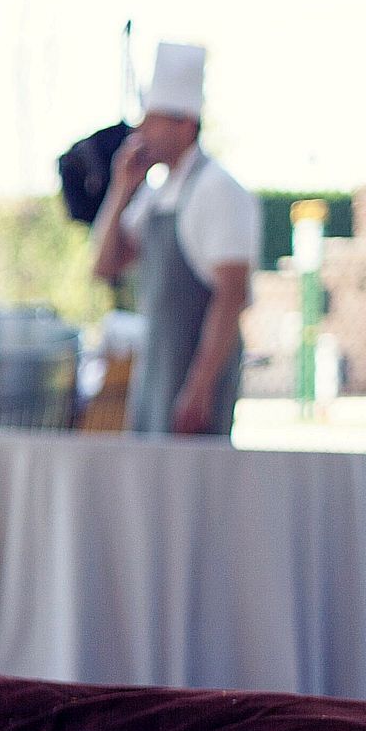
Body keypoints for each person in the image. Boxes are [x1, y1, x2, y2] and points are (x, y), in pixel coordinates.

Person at [90, 41, 255, 437]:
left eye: (153, 120)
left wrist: (199, 389)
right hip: (156, 374)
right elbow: (105, 265)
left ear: (185, 124)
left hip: (191, 380)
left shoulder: (217, 189)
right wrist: (120, 189)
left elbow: (231, 294)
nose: (142, 132)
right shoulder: (157, 193)